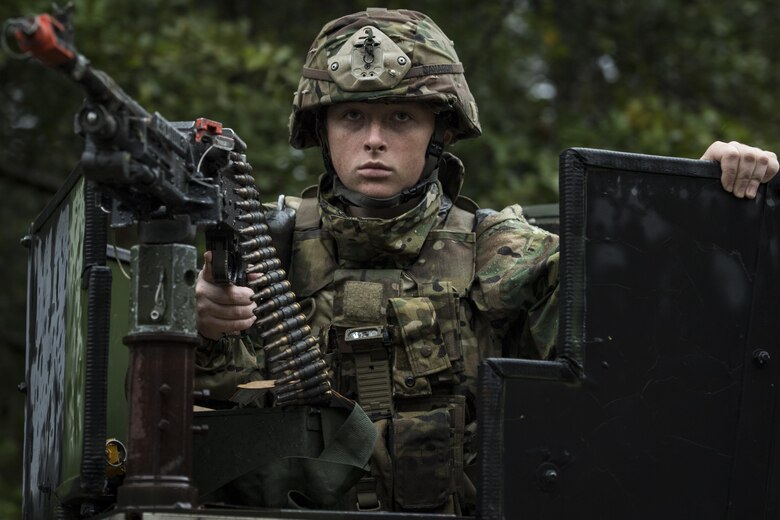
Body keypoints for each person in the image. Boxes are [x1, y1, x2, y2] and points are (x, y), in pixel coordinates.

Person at [193, 7, 779, 515]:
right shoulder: (262, 251)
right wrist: (207, 332)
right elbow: (207, 424)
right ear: (323, 131)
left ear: (437, 132)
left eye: (401, 118)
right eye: (352, 118)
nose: (374, 139)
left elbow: (647, 336)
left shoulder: (502, 251)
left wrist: (699, 201)